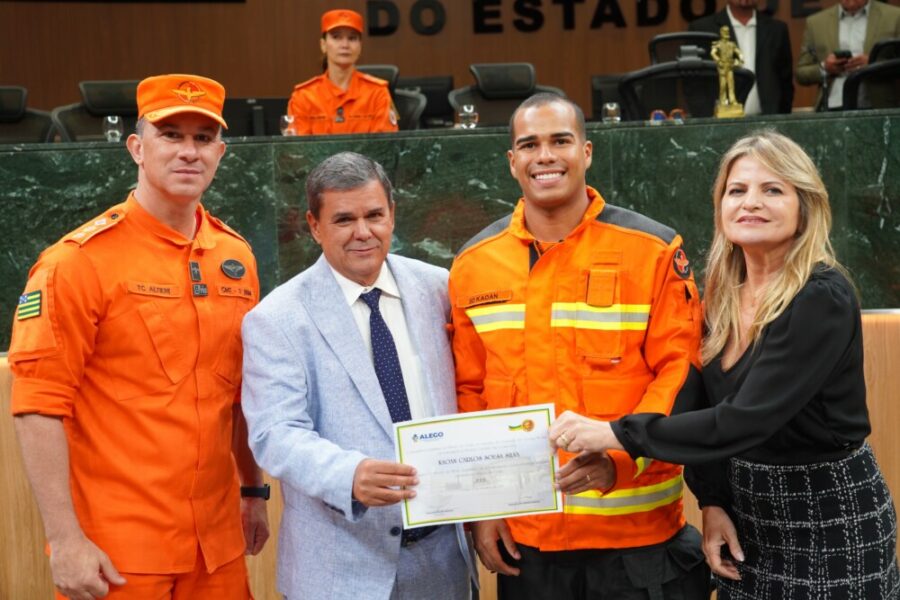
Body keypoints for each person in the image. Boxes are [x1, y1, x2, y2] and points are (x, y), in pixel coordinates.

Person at [549, 131, 900, 599]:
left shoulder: (822, 296)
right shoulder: (720, 298)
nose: (751, 202)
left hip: (828, 516)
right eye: (737, 191)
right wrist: (713, 500)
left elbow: (741, 421)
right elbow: (698, 402)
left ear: (805, 207)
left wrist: (616, 432)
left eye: (772, 190)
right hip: (747, 519)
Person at [9, 73, 269, 600]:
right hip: (120, 554)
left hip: (217, 550)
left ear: (221, 152)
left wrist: (253, 490)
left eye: (202, 138)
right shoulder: (77, 262)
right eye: (170, 135)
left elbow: (241, 393)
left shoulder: (235, 257)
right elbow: (38, 406)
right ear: (136, 147)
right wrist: (64, 540)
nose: (188, 152)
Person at [449, 93, 709, 600]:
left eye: (560, 141)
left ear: (586, 152)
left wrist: (620, 455)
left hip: (637, 545)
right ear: (512, 162)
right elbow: (469, 394)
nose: (545, 156)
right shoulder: (473, 264)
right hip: (530, 546)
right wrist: (483, 512)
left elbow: (681, 376)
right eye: (529, 144)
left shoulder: (652, 251)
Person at [240, 152, 475, 599]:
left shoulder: (439, 287)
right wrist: (349, 475)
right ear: (314, 226)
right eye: (344, 219)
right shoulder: (276, 318)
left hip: (443, 559)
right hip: (339, 569)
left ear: (392, 214)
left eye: (374, 215)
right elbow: (275, 432)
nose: (363, 232)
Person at [287, 9, 398, 135]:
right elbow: (298, 151)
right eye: (336, 37)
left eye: (352, 38)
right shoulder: (303, 97)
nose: (345, 45)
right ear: (323, 45)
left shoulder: (378, 93)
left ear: (360, 47)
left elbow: (385, 148)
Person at [689, 0, 794, 115]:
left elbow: (786, 82)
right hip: (719, 123)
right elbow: (694, 83)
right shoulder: (703, 28)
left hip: (768, 123)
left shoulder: (777, 29)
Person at [797, 0, 900, 110]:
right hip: (831, 108)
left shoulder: (894, 16)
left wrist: (873, 64)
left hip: (877, 107)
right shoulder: (816, 22)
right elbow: (801, 73)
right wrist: (826, 68)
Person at [710, 26, 745, 109]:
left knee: (731, 85)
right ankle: (723, 102)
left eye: (727, 32)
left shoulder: (731, 44)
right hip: (722, 66)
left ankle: (733, 101)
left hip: (730, 66)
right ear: (721, 33)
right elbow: (713, 53)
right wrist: (718, 61)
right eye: (725, 32)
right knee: (722, 86)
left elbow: (739, 52)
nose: (726, 33)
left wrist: (741, 59)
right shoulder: (718, 44)